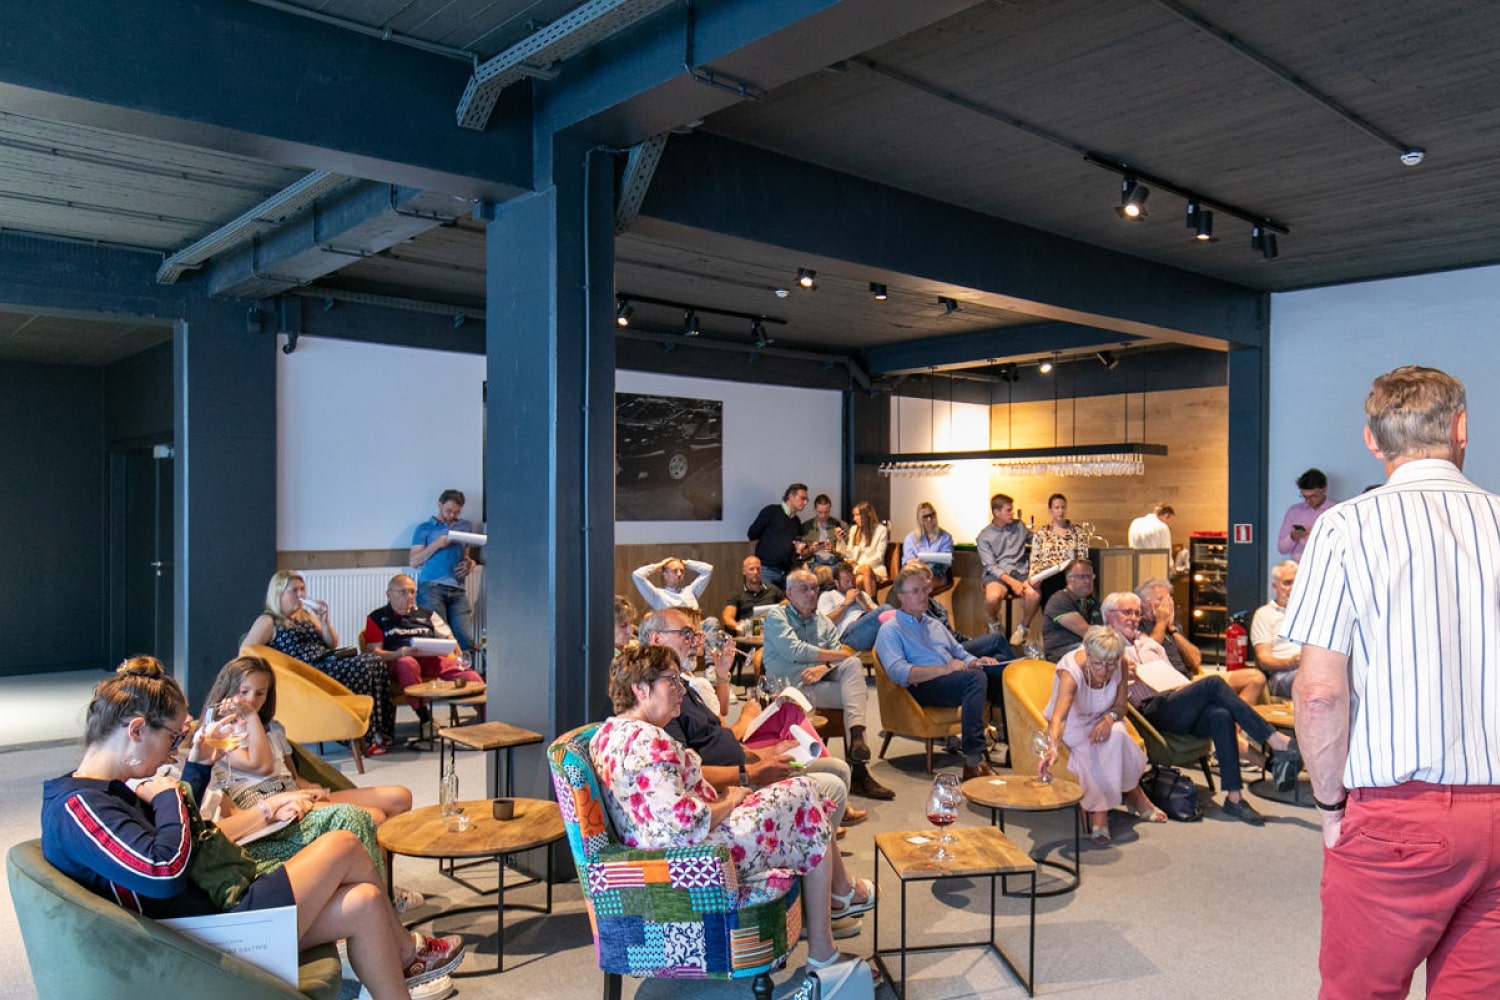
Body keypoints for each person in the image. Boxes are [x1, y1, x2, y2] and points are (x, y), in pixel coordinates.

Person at [40, 658, 465, 1000]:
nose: (173, 751)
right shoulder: (78, 805)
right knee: (342, 844)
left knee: (365, 901)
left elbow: (177, 835)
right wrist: (169, 794)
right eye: (173, 738)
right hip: (203, 935)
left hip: (214, 912)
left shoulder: (104, 791)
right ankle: (409, 954)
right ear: (136, 730)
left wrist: (196, 768)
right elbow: (163, 870)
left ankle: (405, 965)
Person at [1282, 365, 1500, 999]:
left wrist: (1328, 809)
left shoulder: (1345, 527)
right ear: (1462, 428)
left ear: (1372, 442)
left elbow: (1320, 691)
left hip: (1400, 814)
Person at [591, 646, 878, 983]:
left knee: (802, 795)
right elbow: (684, 823)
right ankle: (827, 938)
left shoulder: (606, 735)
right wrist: (730, 800)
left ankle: (835, 907)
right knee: (803, 796)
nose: (681, 689)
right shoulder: (646, 741)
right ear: (640, 689)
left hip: (665, 852)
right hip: (692, 861)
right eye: (671, 681)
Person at [1103, 591, 1297, 825]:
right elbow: (1098, 686)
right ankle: (1276, 741)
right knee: (1214, 683)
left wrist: (1185, 690)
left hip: (1175, 699)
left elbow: (1172, 674)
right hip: (1150, 712)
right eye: (1127, 612)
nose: (1134, 618)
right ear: (1108, 616)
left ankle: (1234, 798)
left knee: (1221, 715)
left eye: (1136, 613)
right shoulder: (1106, 647)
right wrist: (1122, 676)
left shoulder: (1150, 644)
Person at [762, 569, 895, 800]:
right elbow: (795, 651)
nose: (811, 593)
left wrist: (824, 667)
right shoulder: (777, 617)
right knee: (856, 693)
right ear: (789, 592)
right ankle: (859, 770)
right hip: (790, 689)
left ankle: (857, 740)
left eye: (815, 588)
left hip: (818, 683)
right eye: (805, 588)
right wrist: (834, 658)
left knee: (852, 667)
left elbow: (837, 657)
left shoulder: (822, 621)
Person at [245, 570, 396, 753]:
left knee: (375, 661)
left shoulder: (305, 616)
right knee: (363, 665)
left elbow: (331, 643)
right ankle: (364, 738)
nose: (300, 595)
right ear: (279, 593)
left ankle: (381, 729)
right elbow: (247, 651)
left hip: (325, 662)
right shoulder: (268, 621)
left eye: (302, 589)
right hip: (305, 674)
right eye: (294, 590)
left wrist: (324, 621)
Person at [1039, 626, 1163, 845]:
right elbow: (1059, 717)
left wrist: (1108, 719)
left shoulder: (1121, 664)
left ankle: (1105, 811)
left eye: (1110, 664)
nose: (1104, 670)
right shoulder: (1071, 672)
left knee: (1116, 736)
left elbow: (1121, 706)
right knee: (1095, 749)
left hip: (1106, 717)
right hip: (1074, 723)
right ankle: (1124, 799)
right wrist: (1052, 747)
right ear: (1087, 654)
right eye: (1098, 663)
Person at [874, 567, 1001, 780]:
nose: (923, 595)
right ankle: (973, 760)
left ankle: (1012, 743)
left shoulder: (934, 624)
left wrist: (976, 661)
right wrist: (945, 668)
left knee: (995, 671)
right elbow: (899, 673)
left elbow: (960, 652)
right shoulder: (891, 630)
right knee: (975, 678)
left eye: (924, 590)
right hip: (921, 687)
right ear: (901, 597)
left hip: (949, 680)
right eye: (915, 591)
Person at [361, 574, 483, 728]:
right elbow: (376, 653)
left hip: (430, 658)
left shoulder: (428, 614)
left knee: (470, 675)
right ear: (389, 594)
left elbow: (449, 637)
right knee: (408, 664)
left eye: (412, 592)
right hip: (399, 661)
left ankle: (488, 717)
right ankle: (426, 719)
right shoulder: (377, 618)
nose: (409, 596)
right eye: (403, 592)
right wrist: (399, 653)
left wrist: (454, 647)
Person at [408, 489, 479, 653]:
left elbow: (466, 557)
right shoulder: (424, 528)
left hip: (457, 589)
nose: (452, 515)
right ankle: (444, 676)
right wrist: (436, 544)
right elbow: (414, 561)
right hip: (431, 588)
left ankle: (469, 676)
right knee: (440, 638)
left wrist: (470, 563)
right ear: (439, 505)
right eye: (448, 511)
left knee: (465, 638)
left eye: (456, 512)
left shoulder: (464, 526)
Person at [977, 493, 1038, 644]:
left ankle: (1023, 628)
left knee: (1033, 595)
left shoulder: (1019, 526)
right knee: (992, 597)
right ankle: (994, 622)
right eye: (1008, 510)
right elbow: (991, 566)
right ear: (996, 513)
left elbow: (1036, 539)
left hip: (1021, 571)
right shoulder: (984, 537)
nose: (1012, 513)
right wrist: (1013, 583)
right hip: (998, 575)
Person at [1028, 493, 1091, 613]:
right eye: (1057, 508)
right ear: (1050, 510)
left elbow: (1083, 556)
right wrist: (1034, 576)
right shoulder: (1042, 533)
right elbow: (1035, 559)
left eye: (1063, 507)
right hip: (1048, 575)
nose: (1060, 511)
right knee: (1049, 586)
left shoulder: (1078, 531)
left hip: (1071, 573)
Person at [1249, 561, 1301, 699]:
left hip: (1313, 669)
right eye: (1287, 583)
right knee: (1309, 679)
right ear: (1275, 587)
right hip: (1282, 675)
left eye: (1297, 583)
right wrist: (1291, 662)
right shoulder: (1264, 614)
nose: (1293, 588)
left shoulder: (1311, 612)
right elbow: (1264, 660)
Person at [747, 483, 808, 588]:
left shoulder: (796, 522)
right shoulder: (771, 511)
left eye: (807, 499)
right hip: (766, 569)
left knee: (786, 603)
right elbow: (752, 534)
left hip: (786, 571)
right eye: (802, 498)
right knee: (767, 602)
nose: (805, 502)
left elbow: (797, 547)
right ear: (790, 496)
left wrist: (799, 550)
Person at [1041, 558, 1102, 662]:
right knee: (1104, 653)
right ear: (1069, 578)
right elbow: (1086, 631)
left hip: (1084, 649)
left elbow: (1103, 628)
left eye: (1090, 576)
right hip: (1061, 654)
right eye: (1082, 577)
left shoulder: (1093, 602)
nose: (1087, 581)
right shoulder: (1060, 600)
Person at [1276, 468, 1334, 562]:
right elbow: (1282, 549)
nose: (1308, 501)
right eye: (1305, 496)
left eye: (1313, 496)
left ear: (1324, 490)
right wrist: (1293, 537)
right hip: (1299, 568)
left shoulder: (1336, 511)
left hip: (1327, 567)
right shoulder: (1294, 512)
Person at [720, 556, 785, 632]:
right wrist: (738, 627)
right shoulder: (737, 593)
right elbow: (727, 617)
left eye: (758, 569)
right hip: (748, 633)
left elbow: (787, 605)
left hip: (771, 631)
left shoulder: (773, 590)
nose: (756, 572)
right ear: (744, 571)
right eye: (751, 569)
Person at [817, 560, 877, 640]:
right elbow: (825, 625)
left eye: (853, 580)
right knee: (886, 610)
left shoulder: (862, 595)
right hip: (848, 632)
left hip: (868, 624)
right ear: (837, 583)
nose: (851, 585)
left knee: (888, 614)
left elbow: (879, 616)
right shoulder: (827, 596)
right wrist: (846, 604)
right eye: (847, 582)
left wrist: (864, 605)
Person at [841, 501, 890, 597]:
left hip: (875, 569)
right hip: (856, 568)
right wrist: (841, 541)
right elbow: (848, 554)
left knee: (862, 577)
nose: (854, 519)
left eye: (857, 515)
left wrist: (861, 566)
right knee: (863, 573)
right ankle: (872, 604)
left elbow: (879, 557)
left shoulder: (881, 530)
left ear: (866, 516)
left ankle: (867, 605)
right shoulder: (854, 530)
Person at [902, 501, 955, 588]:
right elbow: (907, 560)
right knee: (908, 580)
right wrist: (918, 562)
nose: (929, 519)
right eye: (925, 517)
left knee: (921, 583)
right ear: (919, 519)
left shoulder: (945, 537)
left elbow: (948, 559)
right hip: (914, 573)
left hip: (936, 574)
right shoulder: (910, 538)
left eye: (932, 515)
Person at [630, 556, 714, 611]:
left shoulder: (691, 591)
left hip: (693, 632)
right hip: (671, 633)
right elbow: (637, 575)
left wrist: (685, 563)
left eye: (681, 571)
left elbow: (708, 570)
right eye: (675, 571)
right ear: (665, 575)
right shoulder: (657, 595)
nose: (679, 574)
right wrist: (659, 565)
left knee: (711, 621)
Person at [800, 493, 846, 568]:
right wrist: (811, 549)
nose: (823, 515)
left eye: (826, 512)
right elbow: (800, 555)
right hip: (814, 563)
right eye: (820, 512)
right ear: (815, 510)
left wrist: (833, 550)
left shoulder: (841, 526)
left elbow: (847, 555)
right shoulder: (806, 527)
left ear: (830, 509)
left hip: (835, 563)